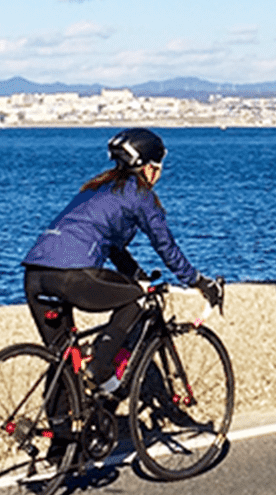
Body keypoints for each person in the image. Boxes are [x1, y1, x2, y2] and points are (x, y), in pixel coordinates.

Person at [22, 128, 222, 395]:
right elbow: (165, 246)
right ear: (147, 167)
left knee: (64, 360)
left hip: (35, 275)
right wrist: (198, 280)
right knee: (139, 298)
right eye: (158, 166)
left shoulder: (95, 188)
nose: (160, 173)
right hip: (72, 273)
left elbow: (112, 247)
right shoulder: (140, 195)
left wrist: (136, 273)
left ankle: (63, 434)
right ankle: (101, 368)